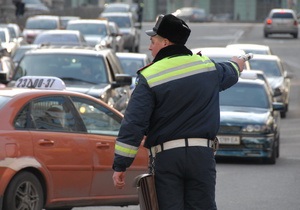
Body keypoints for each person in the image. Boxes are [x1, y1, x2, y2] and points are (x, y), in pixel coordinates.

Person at [112, 14, 245, 209]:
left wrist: (120, 165)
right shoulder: (207, 66)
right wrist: (238, 63)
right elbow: (231, 72)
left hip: (168, 159)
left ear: (165, 42)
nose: (149, 47)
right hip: (202, 156)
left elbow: (134, 123)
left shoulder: (150, 76)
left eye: (152, 41)